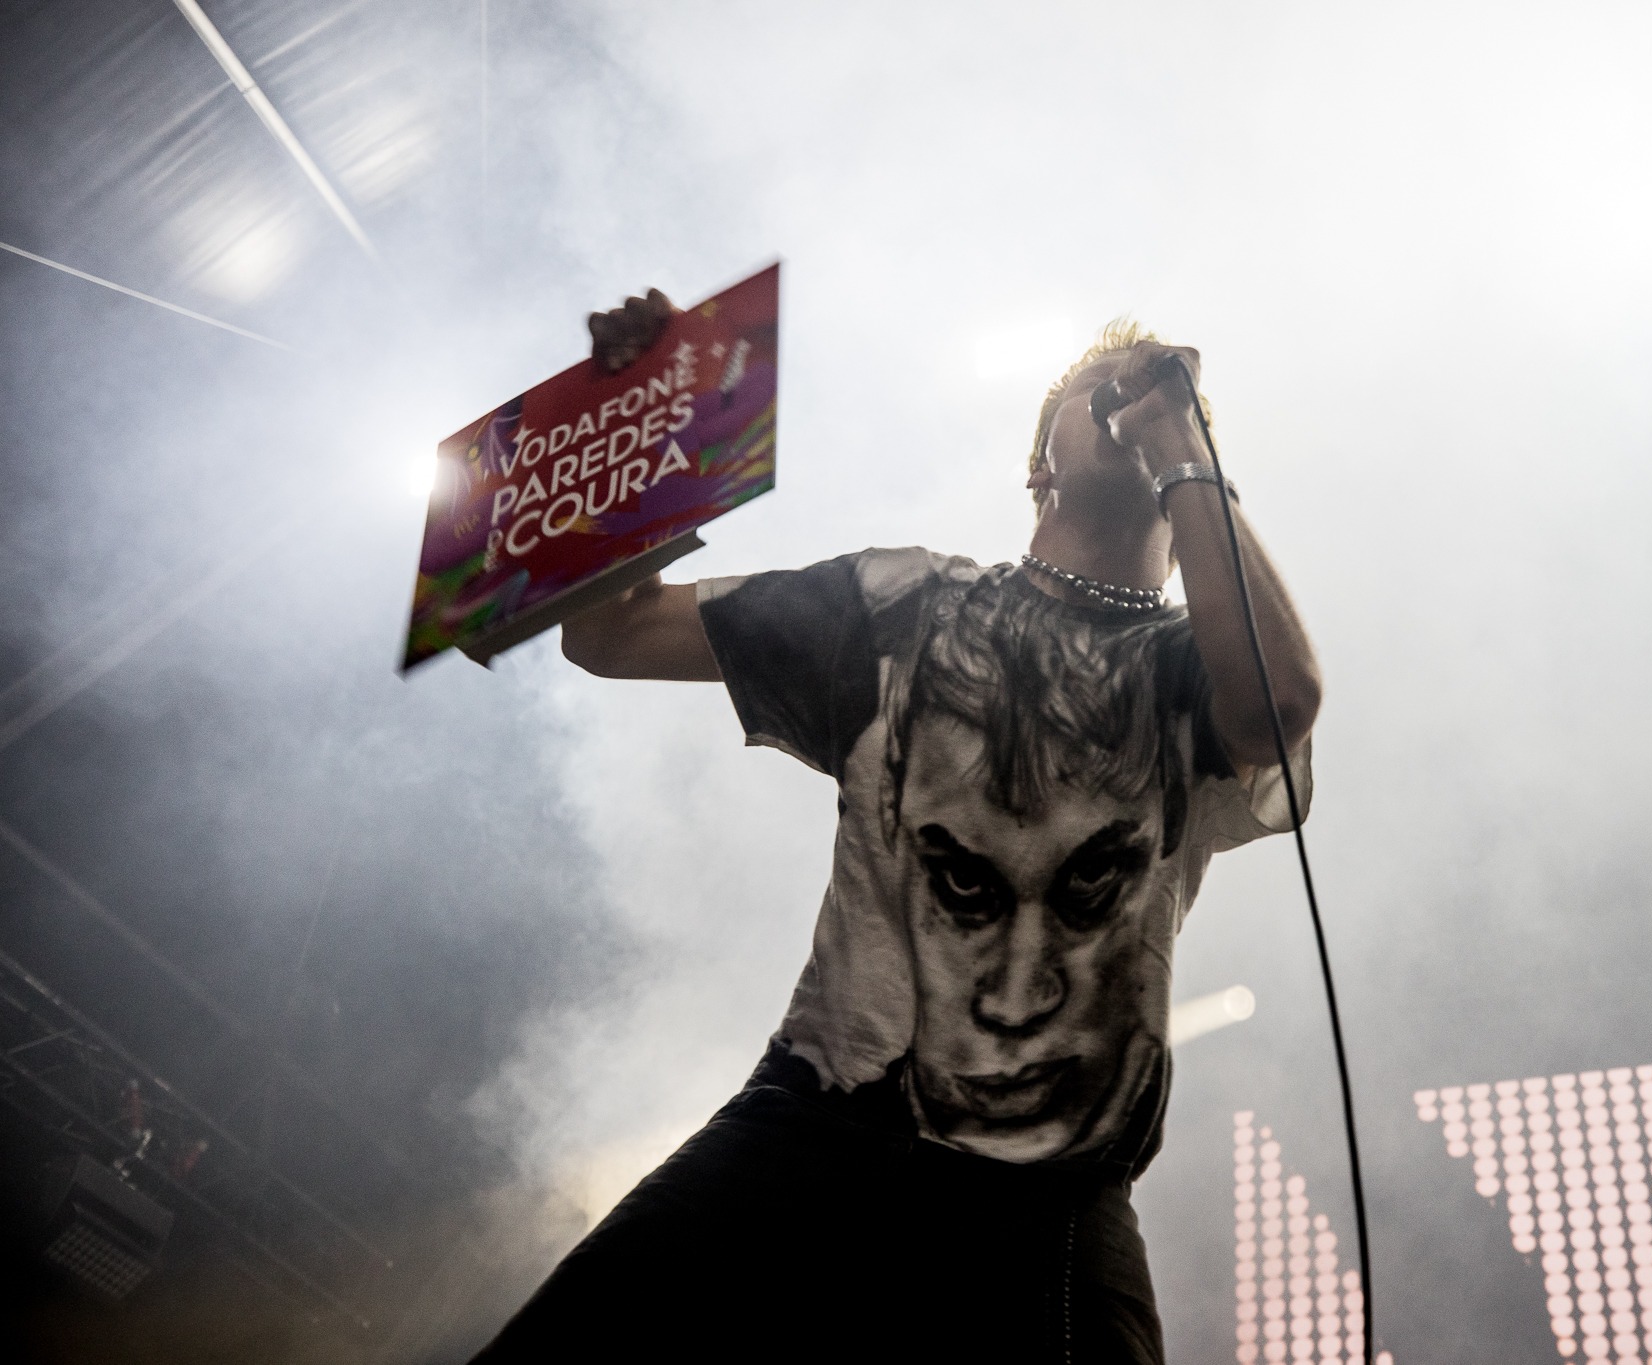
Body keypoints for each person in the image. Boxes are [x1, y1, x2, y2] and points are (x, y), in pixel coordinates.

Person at [470, 292, 1322, 1364]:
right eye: (1091, 394)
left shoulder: (1196, 670)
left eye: (1146, 392)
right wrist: (641, 422)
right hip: (814, 1126)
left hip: (1049, 1194)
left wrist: (1178, 440)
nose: (1123, 398)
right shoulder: (900, 608)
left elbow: (1276, 711)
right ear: (1038, 472)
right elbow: (605, 634)